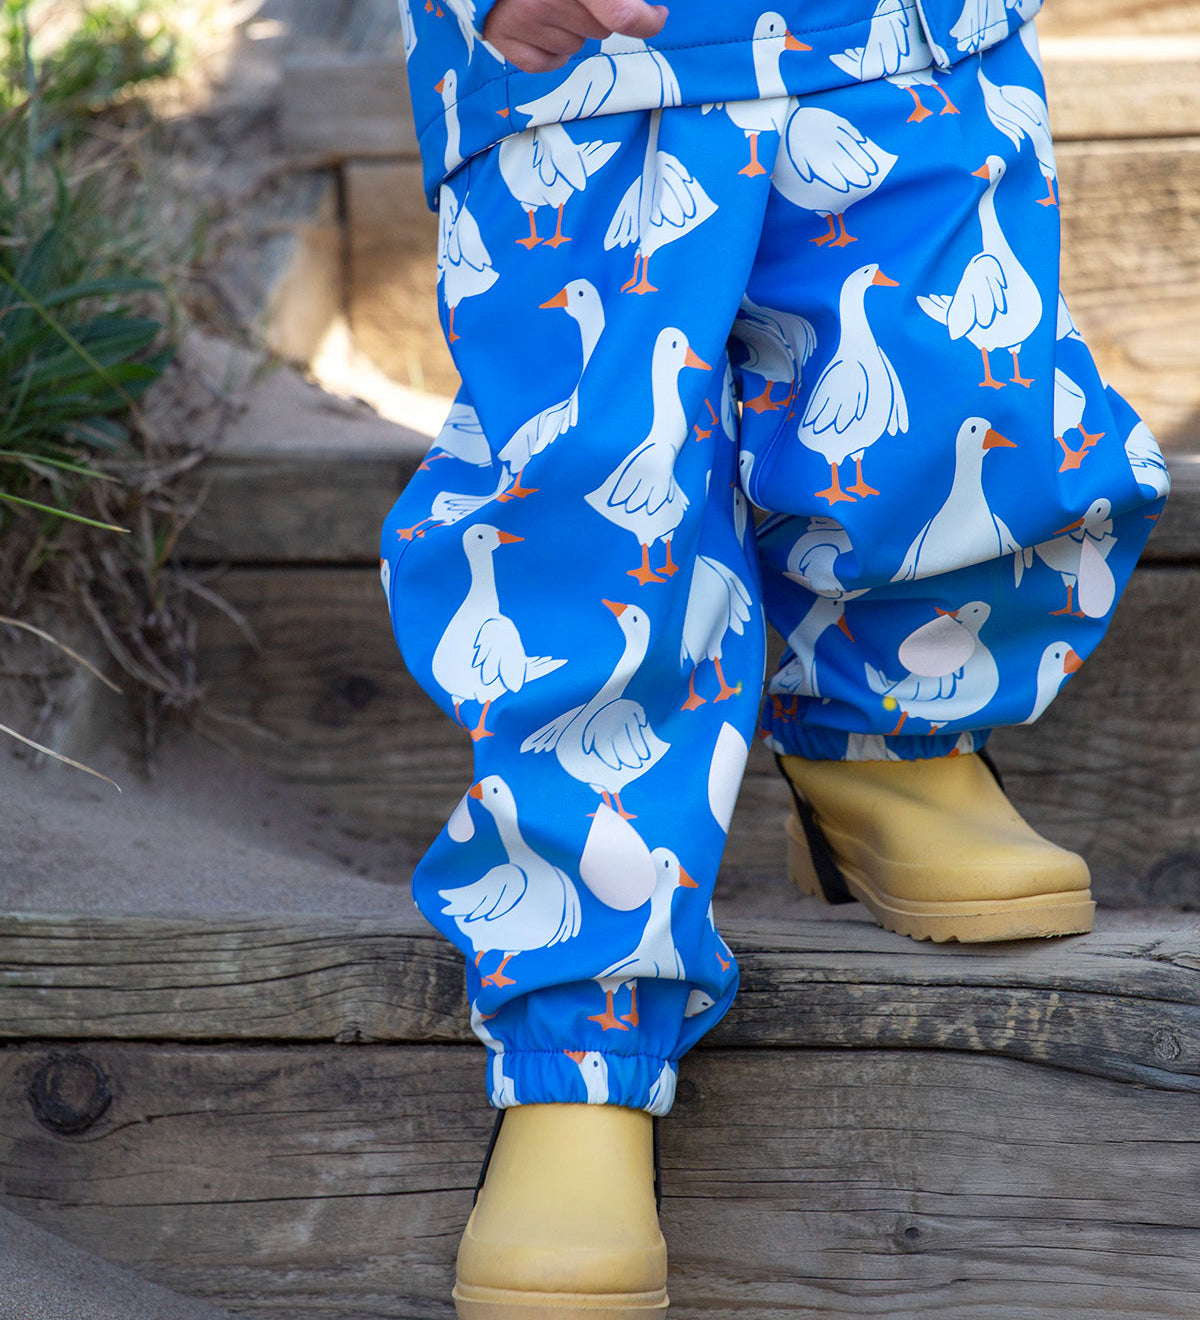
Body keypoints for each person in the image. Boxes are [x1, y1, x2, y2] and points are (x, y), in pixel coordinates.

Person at [380, 0, 1170, 1313]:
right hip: (587, 65)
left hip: (909, 34)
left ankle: (886, 737)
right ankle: (585, 1022)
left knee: (961, 380)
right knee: (592, 485)